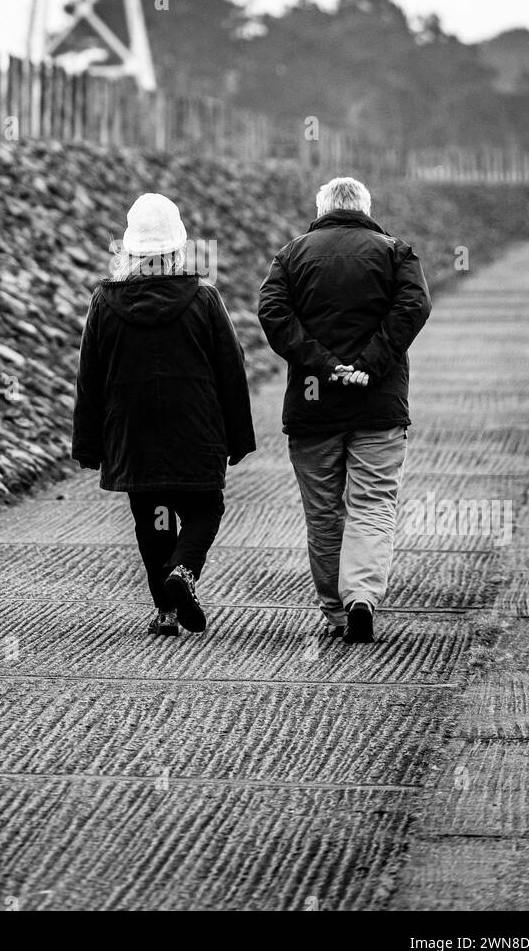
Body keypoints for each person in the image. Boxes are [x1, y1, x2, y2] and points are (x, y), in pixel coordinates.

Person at [72, 193, 255, 636]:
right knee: (204, 508)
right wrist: (238, 436)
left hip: (133, 435)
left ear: (129, 251)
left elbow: (89, 377)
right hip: (195, 430)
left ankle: (167, 612)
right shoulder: (204, 299)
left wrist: (89, 444)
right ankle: (184, 573)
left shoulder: (105, 303)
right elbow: (231, 370)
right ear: (177, 249)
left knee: (152, 522)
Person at [257, 176, 431, 644]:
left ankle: (335, 613)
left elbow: (274, 316)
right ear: (365, 208)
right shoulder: (396, 252)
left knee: (324, 512)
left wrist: (326, 365)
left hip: (314, 407)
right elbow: (415, 306)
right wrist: (369, 366)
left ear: (322, 208)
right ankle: (361, 599)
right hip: (378, 405)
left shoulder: (292, 255)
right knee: (372, 505)